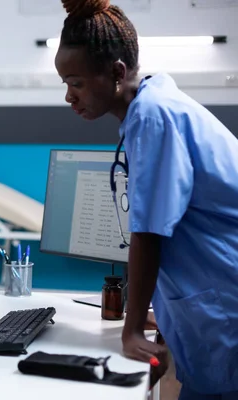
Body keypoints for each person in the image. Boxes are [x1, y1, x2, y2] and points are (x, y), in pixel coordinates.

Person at [54, 1, 238, 399]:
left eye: (77, 82)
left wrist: (132, 328)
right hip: (214, 298)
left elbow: (149, 231)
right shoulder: (152, 108)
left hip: (227, 304)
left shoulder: (154, 117)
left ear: (117, 73)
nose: (69, 96)